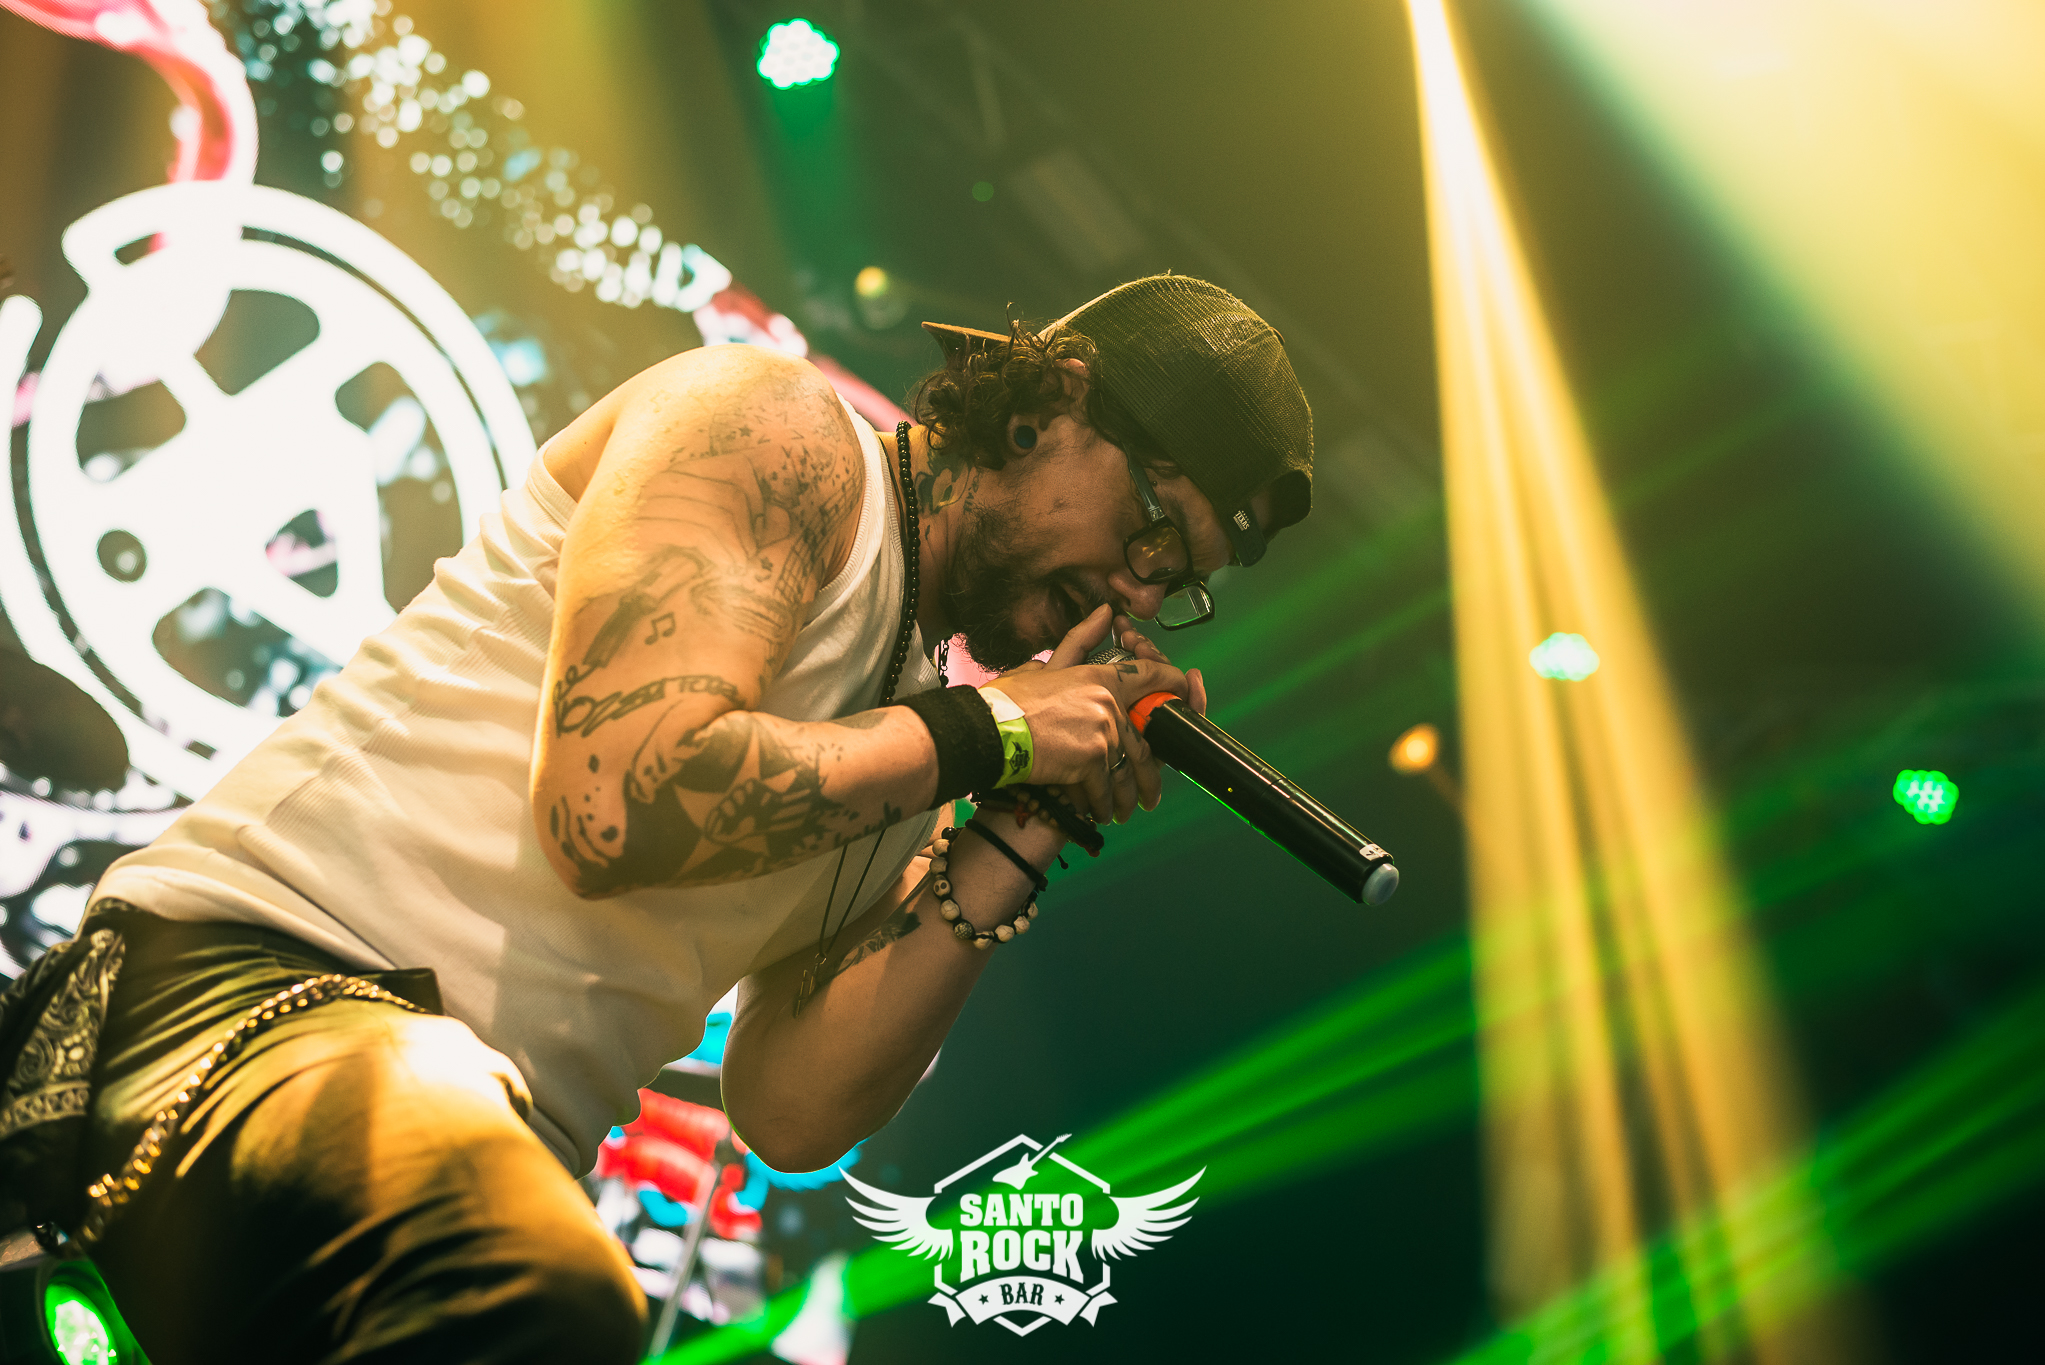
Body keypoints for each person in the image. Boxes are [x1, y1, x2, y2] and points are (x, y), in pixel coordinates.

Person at [8, 274, 1313, 1362]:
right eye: (1151, 526)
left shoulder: (923, 722)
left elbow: (791, 1108)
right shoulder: (777, 432)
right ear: (1050, 403)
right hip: (259, 989)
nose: (1142, 591)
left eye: (1180, 582)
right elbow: (612, 799)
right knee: (540, 1296)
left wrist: (1024, 822)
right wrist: (1000, 731)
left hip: (455, 1128)